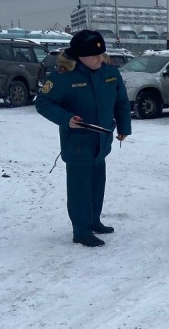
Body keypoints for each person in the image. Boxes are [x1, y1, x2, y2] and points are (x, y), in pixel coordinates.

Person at [35, 30, 131, 247]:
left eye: (101, 54)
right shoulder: (63, 77)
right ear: (79, 56)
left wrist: (124, 126)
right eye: (94, 55)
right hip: (77, 143)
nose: (100, 58)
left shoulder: (110, 73)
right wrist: (66, 119)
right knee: (80, 188)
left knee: (97, 184)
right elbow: (43, 103)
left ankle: (94, 221)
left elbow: (121, 102)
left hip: (102, 141)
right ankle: (81, 230)